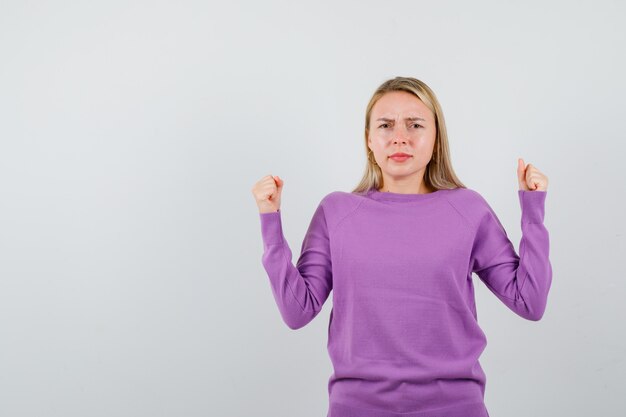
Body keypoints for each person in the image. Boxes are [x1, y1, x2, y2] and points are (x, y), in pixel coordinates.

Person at [250, 76, 551, 417]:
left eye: (415, 124)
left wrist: (533, 209)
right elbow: (297, 311)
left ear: (436, 139)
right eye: (385, 125)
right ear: (369, 140)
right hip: (357, 408)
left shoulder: (468, 210)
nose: (399, 137)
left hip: (454, 407)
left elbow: (530, 301)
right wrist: (270, 220)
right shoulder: (336, 212)